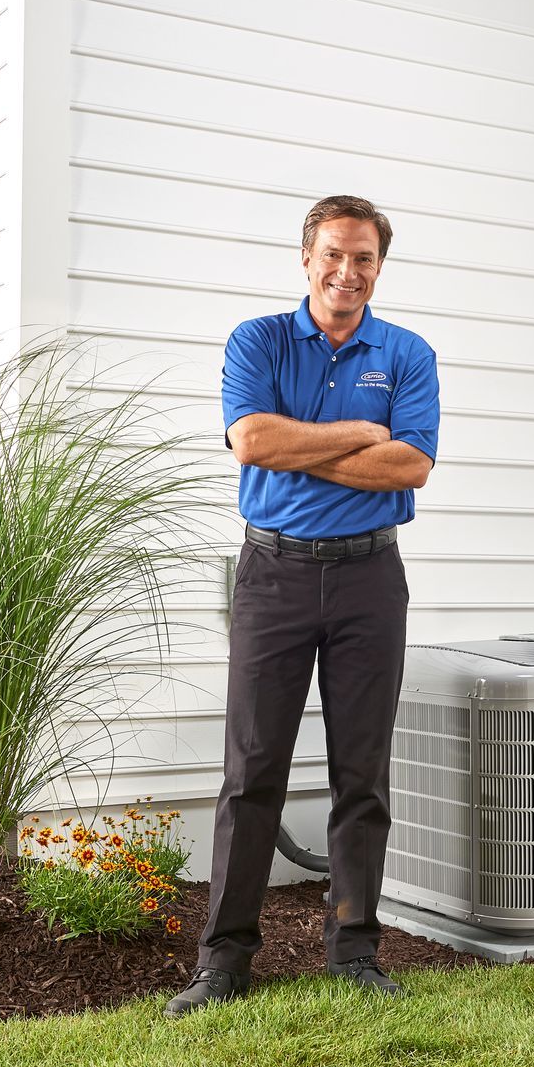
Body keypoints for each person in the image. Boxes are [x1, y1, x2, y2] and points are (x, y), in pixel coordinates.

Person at [164, 195, 440, 1019]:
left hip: (369, 581)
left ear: (379, 267)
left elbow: (412, 466)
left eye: (363, 259)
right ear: (306, 258)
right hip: (273, 576)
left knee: (363, 774)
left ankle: (353, 951)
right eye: (333, 255)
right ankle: (225, 961)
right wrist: (361, 431)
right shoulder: (259, 340)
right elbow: (251, 442)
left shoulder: (410, 352)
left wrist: (306, 446)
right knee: (251, 771)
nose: (347, 272)